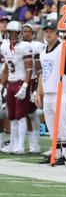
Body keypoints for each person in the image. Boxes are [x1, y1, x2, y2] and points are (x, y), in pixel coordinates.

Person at [36, 20, 66, 165]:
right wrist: (39, 93)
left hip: (62, 90)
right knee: (51, 126)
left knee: (62, 124)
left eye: (51, 31)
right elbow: (43, 74)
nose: (48, 33)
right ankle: (55, 153)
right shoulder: (43, 52)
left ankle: (65, 156)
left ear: (56, 33)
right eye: (46, 31)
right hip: (48, 91)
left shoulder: (62, 47)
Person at [0, 21, 33, 154]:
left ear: (20, 34)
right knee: (12, 115)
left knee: (20, 115)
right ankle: (13, 144)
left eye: (15, 33)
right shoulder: (5, 47)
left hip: (20, 82)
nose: (13, 36)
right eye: (10, 33)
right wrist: (1, 86)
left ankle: (20, 145)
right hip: (11, 83)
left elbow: (29, 69)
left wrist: (25, 86)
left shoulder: (25, 46)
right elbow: (7, 69)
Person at [21, 23, 44, 154]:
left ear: (33, 34)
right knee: (23, 114)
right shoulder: (17, 46)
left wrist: (37, 88)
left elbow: (40, 68)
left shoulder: (37, 46)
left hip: (33, 80)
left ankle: (34, 144)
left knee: (32, 113)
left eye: (29, 31)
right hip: (21, 80)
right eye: (24, 31)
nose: (26, 34)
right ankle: (29, 143)